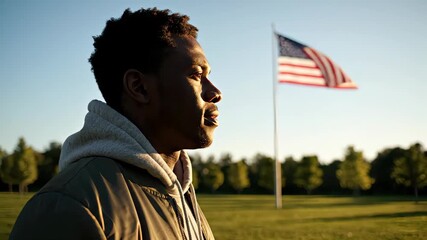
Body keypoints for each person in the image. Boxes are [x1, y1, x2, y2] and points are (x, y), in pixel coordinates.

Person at [10, 7, 221, 240]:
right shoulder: (68, 207)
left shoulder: (181, 193)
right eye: (196, 75)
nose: (215, 92)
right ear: (139, 87)